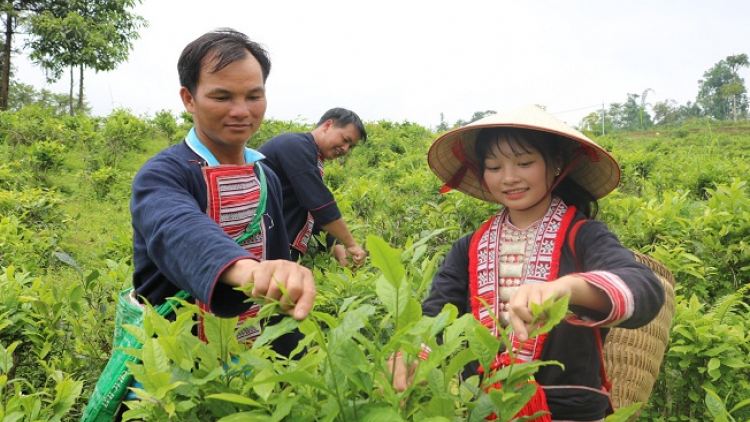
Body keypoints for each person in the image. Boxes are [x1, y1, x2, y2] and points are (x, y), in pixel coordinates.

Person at [389, 105, 665, 421]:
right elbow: (436, 314)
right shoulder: (469, 246)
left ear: (557, 163)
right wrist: (408, 353)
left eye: (524, 163)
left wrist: (566, 289)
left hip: (568, 409)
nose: (509, 178)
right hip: (482, 405)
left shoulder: (583, 235)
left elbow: (645, 290)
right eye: (494, 167)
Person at [119, 28, 315, 418]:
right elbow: (177, 229)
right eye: (222, 96)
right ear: (189, 98)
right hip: (175, 362)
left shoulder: (265, 175)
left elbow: (276, 259)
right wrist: (248, 270)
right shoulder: (163, 174)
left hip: (254, 354)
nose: (241, 110)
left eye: (253, 96)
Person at [258, 108, 368, 267]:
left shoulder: (311, 157)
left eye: (351, 146)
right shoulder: (295, 146)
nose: (345, 149)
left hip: (275, 248)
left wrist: (339, 250)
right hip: (261, 246)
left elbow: (311, 212)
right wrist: (351, 244)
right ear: (328, 125)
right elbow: (319, 203)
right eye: (345, 139)